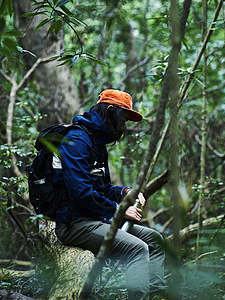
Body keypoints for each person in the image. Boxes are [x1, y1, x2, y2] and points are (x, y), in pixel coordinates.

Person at [54, 89, 166, 299]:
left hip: (97, 219)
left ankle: (157, 295)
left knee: (155, 240)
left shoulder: (97, 144)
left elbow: (102, 189)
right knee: (138, 249)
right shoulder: (77, 141)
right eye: (122, 118)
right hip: (74, 224)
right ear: (109, 111)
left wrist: (125, 192)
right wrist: (119, 210)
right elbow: (80, 192)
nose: (123, 126)